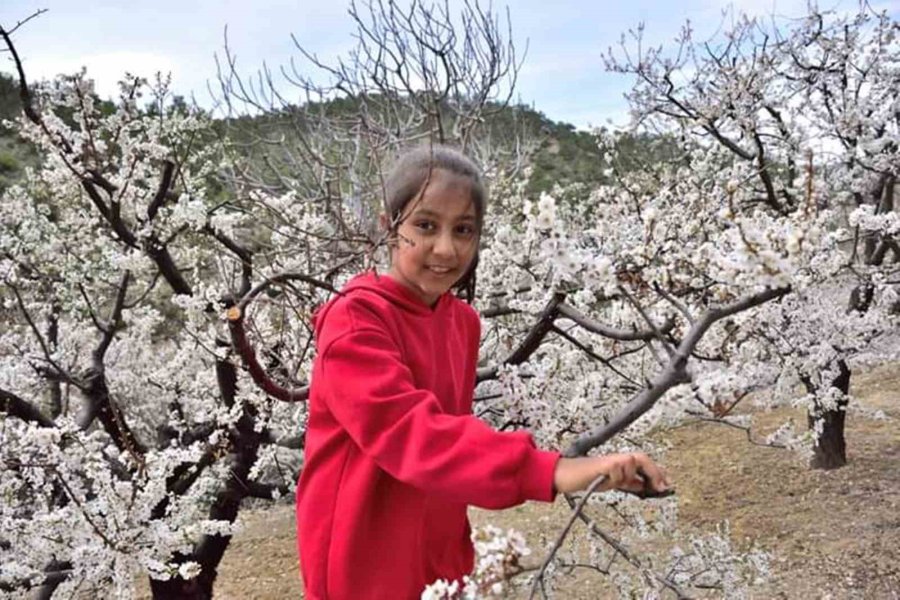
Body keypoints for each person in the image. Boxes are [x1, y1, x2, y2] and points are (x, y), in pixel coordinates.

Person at [295, 145, 670, 599]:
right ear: (388, 227)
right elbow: (414, 435)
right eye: (425, 225)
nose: (446, 248)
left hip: (440, 559)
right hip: (363, 564)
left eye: (464, 229)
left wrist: (457, 557)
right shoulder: (354, 321)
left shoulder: (462, 323)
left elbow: (454, 438)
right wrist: (553, 470)